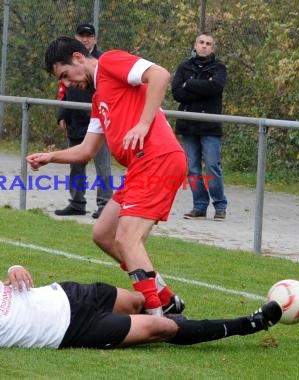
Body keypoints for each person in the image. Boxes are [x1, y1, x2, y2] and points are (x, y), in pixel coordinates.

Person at [0, 237, 283, 364]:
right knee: (161, 327)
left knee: (140, 301)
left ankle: (171, 305)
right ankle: (250, 323)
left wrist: (16, 266)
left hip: (71, 293)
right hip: (74, 328)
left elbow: (9, 287)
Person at [27, 37, 187, 316]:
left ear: (78, 58)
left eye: (65, 75)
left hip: (157, 160)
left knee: (127, 238)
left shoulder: (111, 62)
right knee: (103, 234)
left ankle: (155, 315)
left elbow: (160, 75)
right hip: (140, 168)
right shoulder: (99, 98)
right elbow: (87, 150)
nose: (65, 84)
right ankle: (163, 296)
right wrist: (50, 157)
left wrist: (143, 124)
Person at [55, 23, 112, 219]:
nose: (85, 39)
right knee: (75, 165)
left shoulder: (102, 62)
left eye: (89, 36)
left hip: (98, 122)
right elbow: (64, 90)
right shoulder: (68, 64)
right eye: (81, 36)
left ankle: (104, 205)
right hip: (76, 121)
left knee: (102, 166)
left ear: (95, 39)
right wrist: (62, 115)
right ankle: (77, 202)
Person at [171, 32, 228, 221]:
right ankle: (199, 205)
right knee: (192, 168)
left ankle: (220, 206)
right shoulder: (184, 67)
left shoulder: (219, 68)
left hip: (210, 126)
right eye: (201, 42)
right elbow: (178, 93)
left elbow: (216, 88)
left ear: (213, 48)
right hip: (188, 126)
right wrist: (204, 87)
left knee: (212, 166)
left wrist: (191, 84)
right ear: (195, 45)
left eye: (208, 43)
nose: (204, 46)